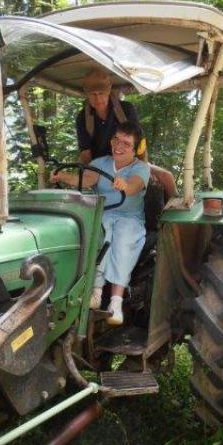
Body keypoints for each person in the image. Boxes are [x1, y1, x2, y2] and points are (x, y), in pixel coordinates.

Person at [51, 120, 150, 326]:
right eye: (116, 140)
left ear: (136, 149)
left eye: (126, 143)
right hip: (102, 214)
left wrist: (125, 184)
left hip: (129, 218)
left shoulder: (141, 168)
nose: (119, 146)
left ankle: (116, 301)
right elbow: (87, 179)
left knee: (123, 240)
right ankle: (94, 293)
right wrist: (62, 175)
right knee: (97, 234)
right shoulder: (100, 163)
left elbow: (135, 185)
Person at [76, 68, 177, 199]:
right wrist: (91, 176)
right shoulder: (83, 118)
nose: (97, 98)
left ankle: (174, 213)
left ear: (109, 90)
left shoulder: (125, 110)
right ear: (87, 94)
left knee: (166, 177)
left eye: (101, 93)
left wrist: (143, 169)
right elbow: (85, 154)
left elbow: (139, 142)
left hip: (130, 161)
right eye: (93, 94)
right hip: (102, 166)